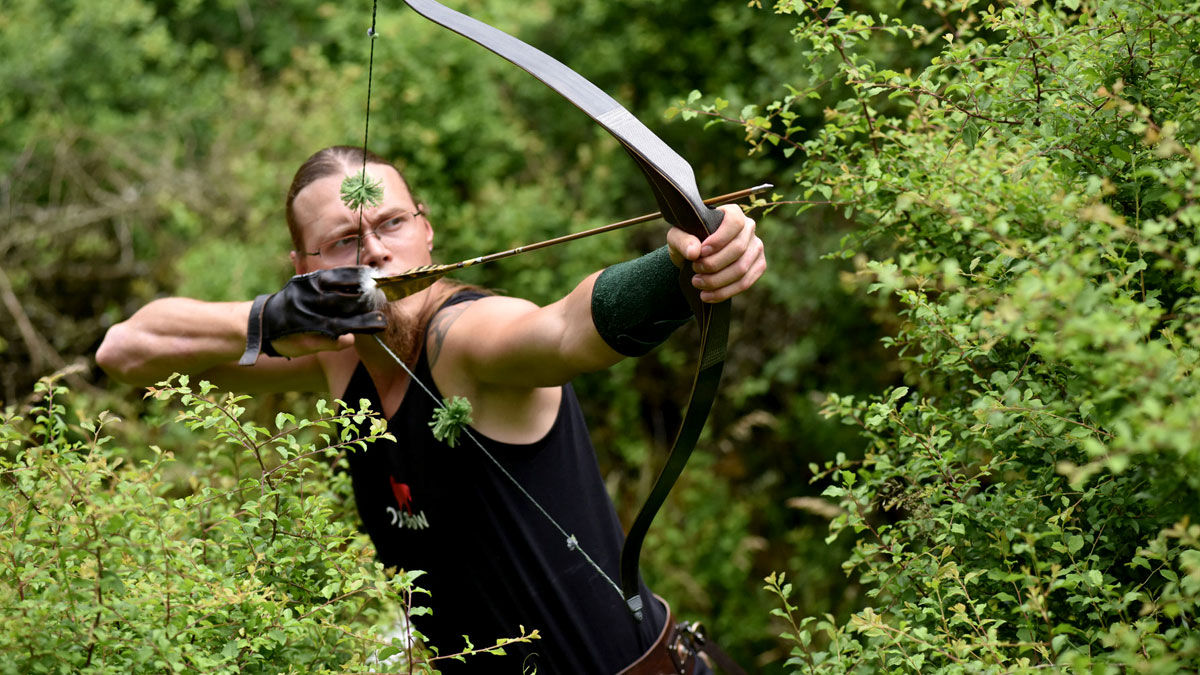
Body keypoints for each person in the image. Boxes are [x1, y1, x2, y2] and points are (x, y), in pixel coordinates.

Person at [97, 146, 765, 673]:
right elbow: (124, 349)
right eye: (343, 241)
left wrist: (685, 271)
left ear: (426, 229)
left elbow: (564, 328)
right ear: (303, 267)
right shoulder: (335, 358)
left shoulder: (466, 341)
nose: (377, 251)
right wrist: (271, 316)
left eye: (391, 223)